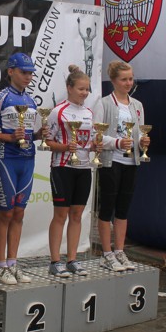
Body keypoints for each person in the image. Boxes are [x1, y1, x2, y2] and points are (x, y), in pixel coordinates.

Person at [0, 52, 43, 285]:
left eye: (30, 73)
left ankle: (13, 263)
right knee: (6, 213)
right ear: (11, 71)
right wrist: (7, 137)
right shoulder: (1, 98)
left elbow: (30, 136)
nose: (28, 77)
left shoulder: (31, 101)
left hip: (28, 160)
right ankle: (0, 266)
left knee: (19, 213)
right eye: (24, 72)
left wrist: (40, 134)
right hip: (7, 159)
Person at [92, 61, 150, 272]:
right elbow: (95, 135)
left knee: (123, 208)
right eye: (124, 79)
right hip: (111, 161)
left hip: (131, 161)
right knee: (107, 207)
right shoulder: (103, 104)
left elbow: (140, 132)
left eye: (131, 79)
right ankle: (106, 253)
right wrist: (116, 142)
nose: (128, 83)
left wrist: (143, 141)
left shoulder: (137, 105)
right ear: (114, 81)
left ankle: (119, 250)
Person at [44, 65, 101, 277]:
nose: (85, 93)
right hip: (63, 167)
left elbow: (89, 141)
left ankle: (72, 259)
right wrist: (65, 147)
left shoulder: (88, 113)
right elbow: (48, 142)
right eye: (81, 89)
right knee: (60, 215)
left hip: (84, 168)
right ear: (69, 88)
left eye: (87, 89)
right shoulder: (57, 112)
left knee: (77, 215)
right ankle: (55, 261)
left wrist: (95, 146)